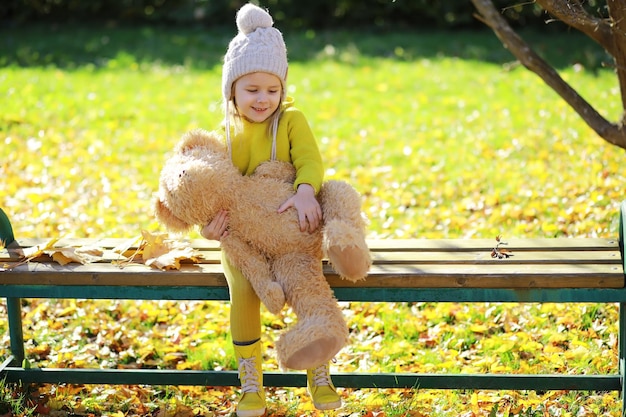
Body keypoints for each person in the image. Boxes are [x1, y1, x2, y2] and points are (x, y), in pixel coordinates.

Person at [200, 3, 342, 416]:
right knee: (243, 290)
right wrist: (207, 229)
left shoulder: (292, 120)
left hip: (291, 228)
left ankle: (318, 371)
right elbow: (205, 190)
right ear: (232, 90)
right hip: (241, 235)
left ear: (282, 88)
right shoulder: (224, 134)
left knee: (306, 281)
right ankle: (250, 384)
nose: (263, 99)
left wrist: (303, 192)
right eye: (252, 89)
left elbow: (311, 162)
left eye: (272, 89)